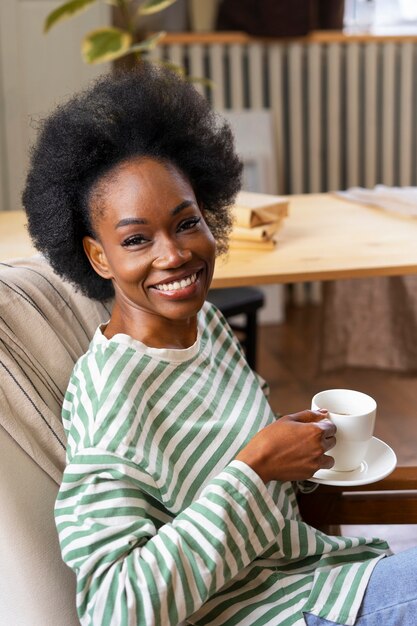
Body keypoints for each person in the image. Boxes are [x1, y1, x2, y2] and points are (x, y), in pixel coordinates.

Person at [23, 63, 416, 626]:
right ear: (98, 257)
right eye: (137, 239)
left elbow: (228, 480)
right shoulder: (113, 396)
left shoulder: (205, 327)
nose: (174, 254)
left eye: (186, 223)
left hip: (322, 579)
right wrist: (255, 467)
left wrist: (293, 456)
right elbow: (114, 609)